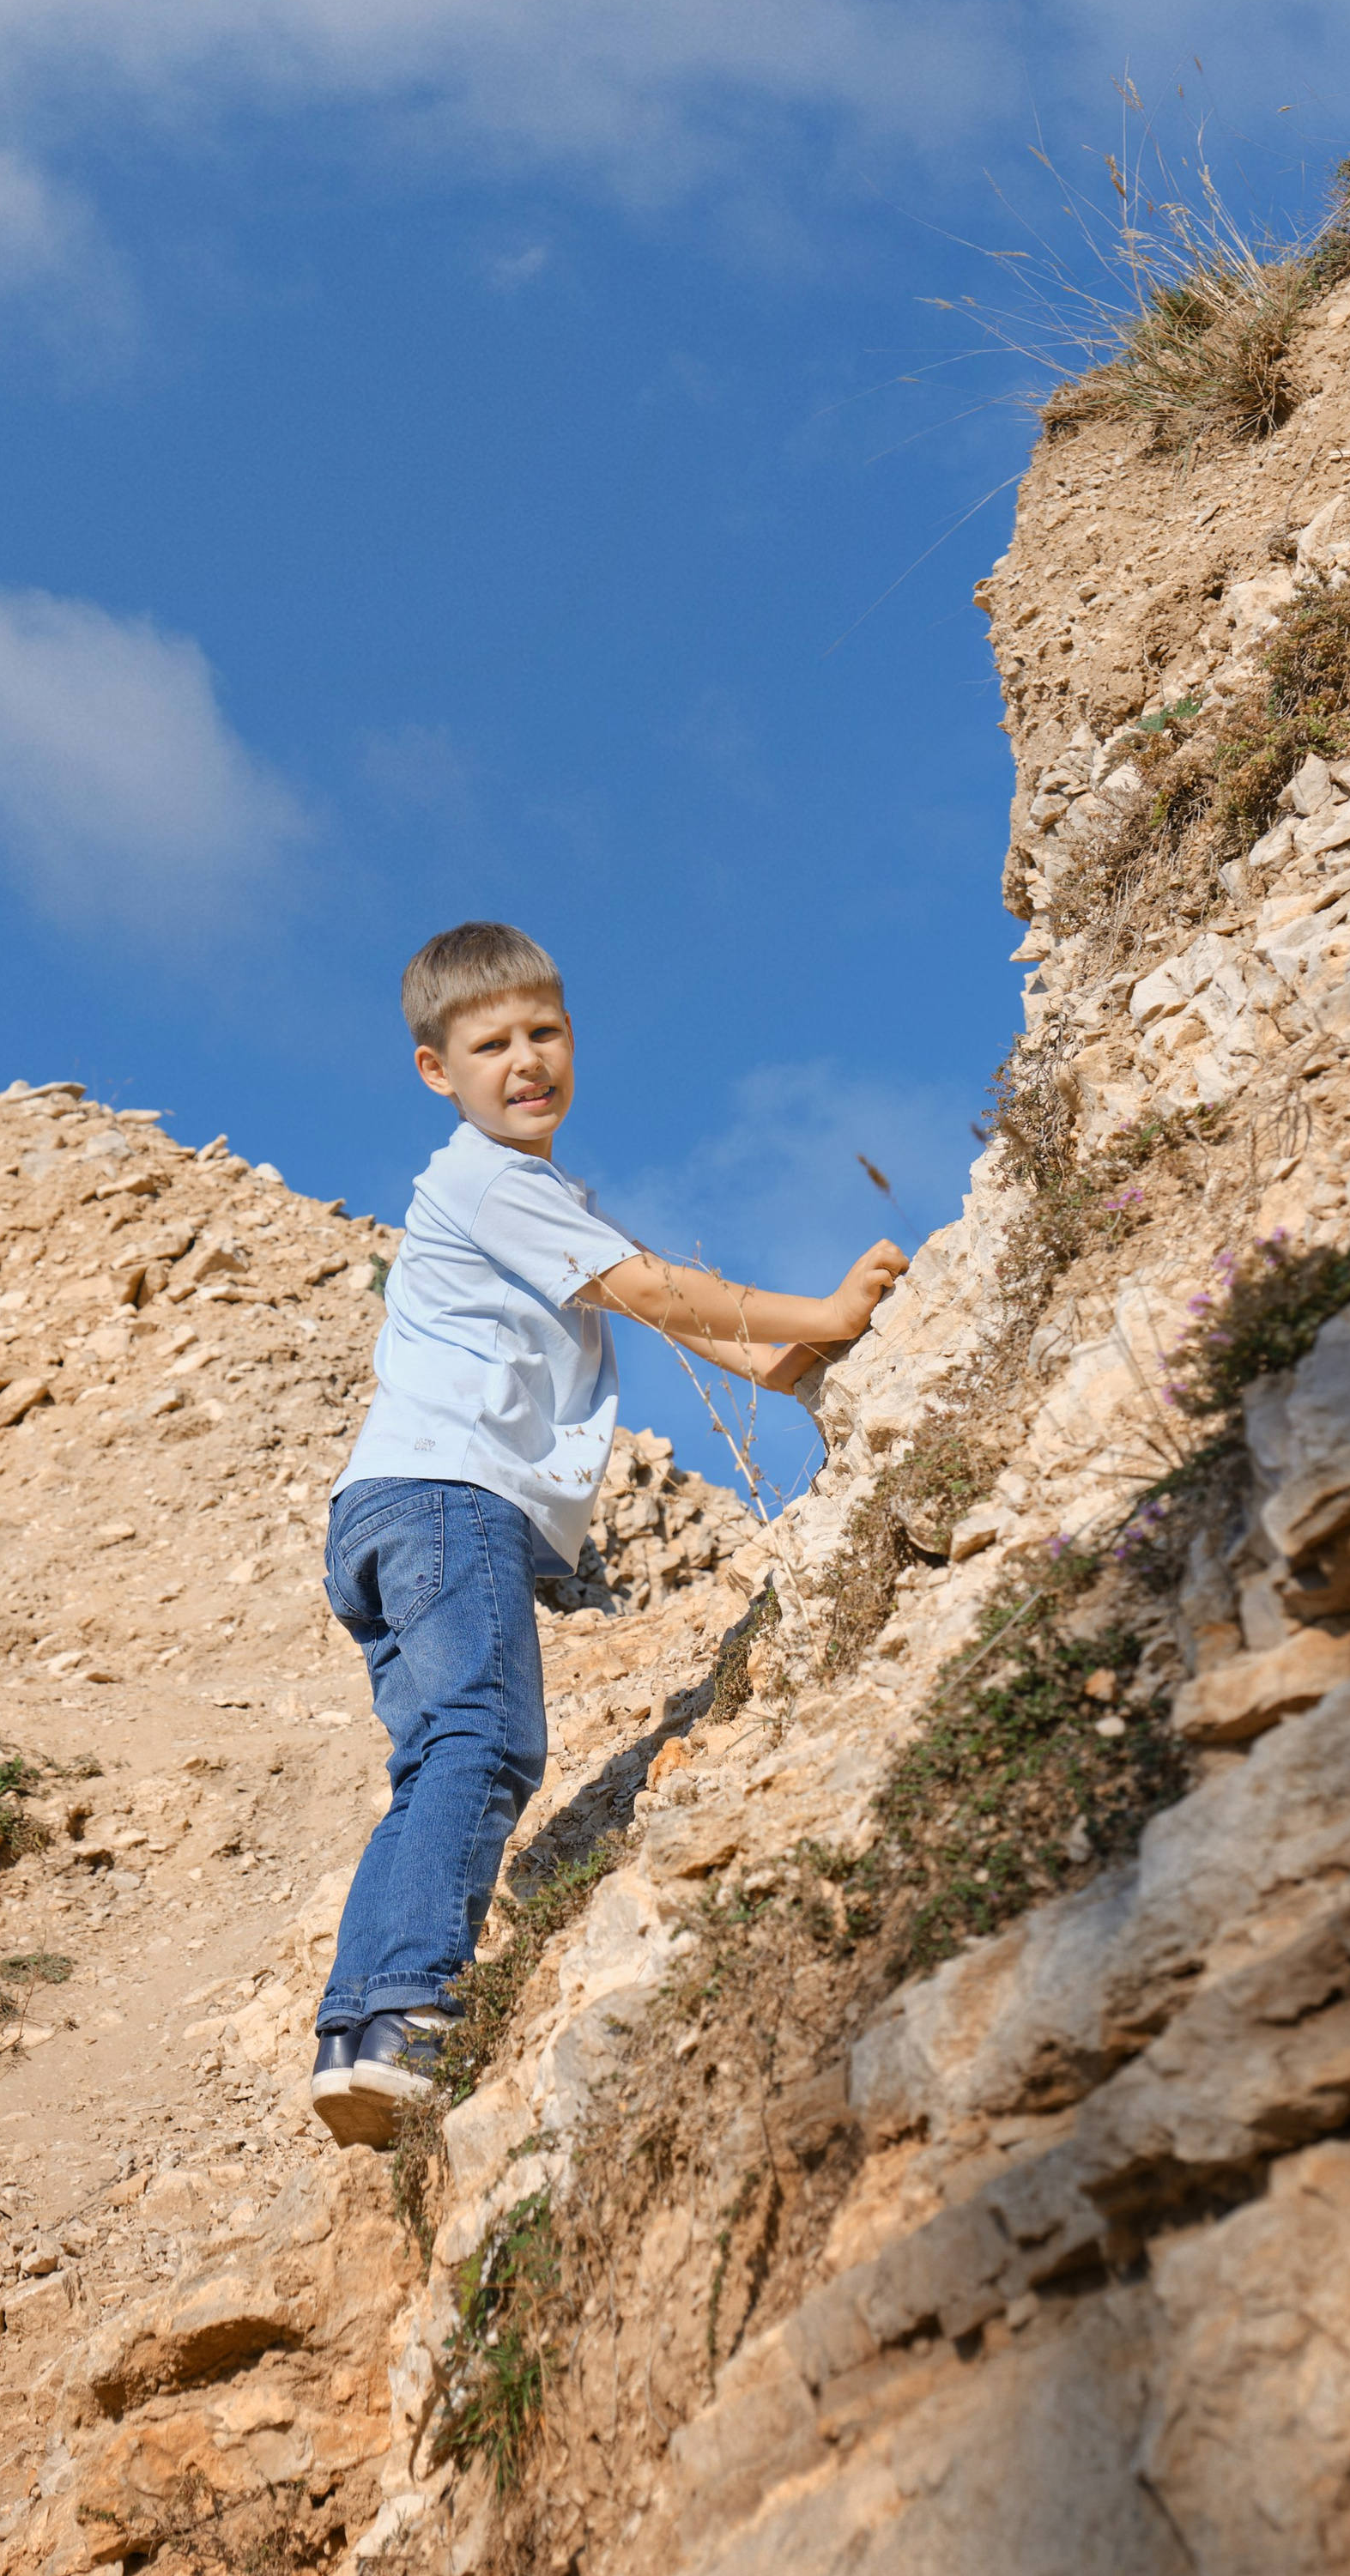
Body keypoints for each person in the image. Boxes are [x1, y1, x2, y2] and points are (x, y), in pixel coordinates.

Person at [311, 920, 906, 2147]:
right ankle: (412, 2006)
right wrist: (831, 1307)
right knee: (486, 1741)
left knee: (437, 1758)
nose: (526, 1062)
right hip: (446, 1498)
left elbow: (668, 1315)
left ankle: (361, 2034)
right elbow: (649, 1290)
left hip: (383, 1511)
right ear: (438, 1071)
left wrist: (803, 1366)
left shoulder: (527, 1197)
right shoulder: (489, 1181)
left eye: (546, 1032)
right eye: (492, 1045)